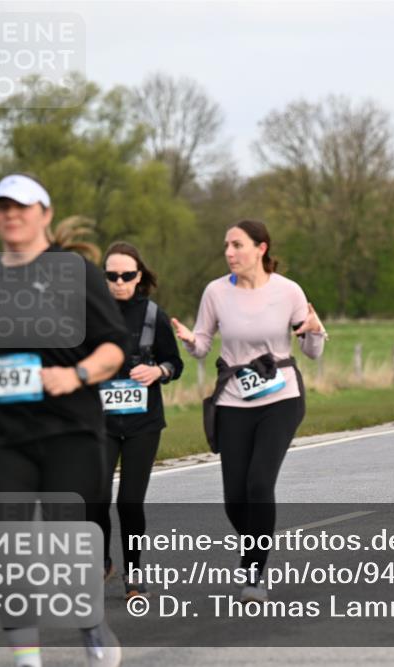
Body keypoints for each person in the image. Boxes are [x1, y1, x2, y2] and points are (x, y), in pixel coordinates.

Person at [0, 174, 127, 667]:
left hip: (69, 431)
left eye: (21, 207)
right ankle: (27, 658)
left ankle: (90, 622)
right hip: (1, 436)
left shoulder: (76, 272)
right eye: (2, 207)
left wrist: (76, 374)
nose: (10, 215)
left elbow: (114, 348)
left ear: (45, 214)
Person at [171, 220, 327, 602]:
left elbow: (311, 351)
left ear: (261, 248)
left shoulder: (288, 291)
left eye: (237, 245)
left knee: (259, 484)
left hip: (281, 397)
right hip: (233, 400)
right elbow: (202, 346)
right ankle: (258, 542)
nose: (229, 252)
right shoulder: (216, 292)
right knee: (234, 499)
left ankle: (253, 573)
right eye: (226, 245)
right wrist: (190, 340)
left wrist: (314, 329)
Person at [97, 242, 184, 599]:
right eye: (112, 276)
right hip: (99, 422)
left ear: (139, 276)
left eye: (127, 275)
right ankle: (102, 562)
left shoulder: (153, 315)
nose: (119, 282)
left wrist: (157, 371)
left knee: (129, 502)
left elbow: (175, 363)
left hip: (142, 424)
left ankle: (133, 574)